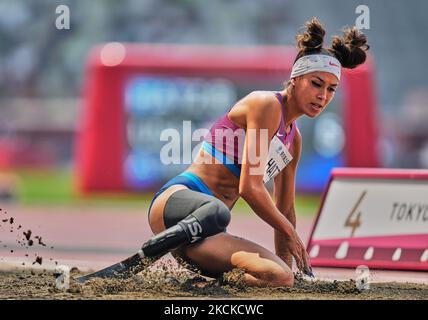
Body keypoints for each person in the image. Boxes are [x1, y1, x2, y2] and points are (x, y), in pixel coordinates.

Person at [142, 17, 369, 287]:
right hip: (178, 206)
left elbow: (285, 209)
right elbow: (249, 187)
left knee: (279, 277)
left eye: (331, 89)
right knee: (218, 210)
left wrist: (287, 263)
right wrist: (292, 235)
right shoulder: (266, 105)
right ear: (296, 79)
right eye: (316, 84)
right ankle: (171, 244)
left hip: (203, 237)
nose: (323, 95)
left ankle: (199, 288)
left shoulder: (293, 139)